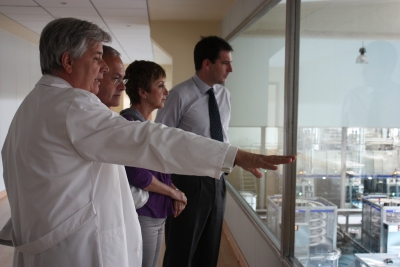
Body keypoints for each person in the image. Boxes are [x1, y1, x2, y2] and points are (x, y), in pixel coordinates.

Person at [1, 17, 295, 267]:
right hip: (77, 252)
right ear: (67, 61)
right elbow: (149, 139)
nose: (103, 69)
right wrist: (232, 155)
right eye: (96, 58)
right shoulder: (72, 105)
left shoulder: (33, 105)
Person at [154, 36, 234, 267]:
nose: (231, 69)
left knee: (209, 251)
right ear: (207, 63)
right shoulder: (179, 95)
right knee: (181, 251)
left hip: (217, 181)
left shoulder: (224, 96)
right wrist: (169, 186)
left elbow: (223, 137)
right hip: (187, 182)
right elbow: (161, 139)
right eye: (225, 62)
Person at [122, 60, 188, 267]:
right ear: (142, 91)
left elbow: (159, 172)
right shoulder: (128, 124)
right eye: (160, 85)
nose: (166, 91)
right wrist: (173, 193)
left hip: (158, 213)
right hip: (144, 212)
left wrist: (176, 190)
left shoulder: (146, 125)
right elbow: (138, 175)